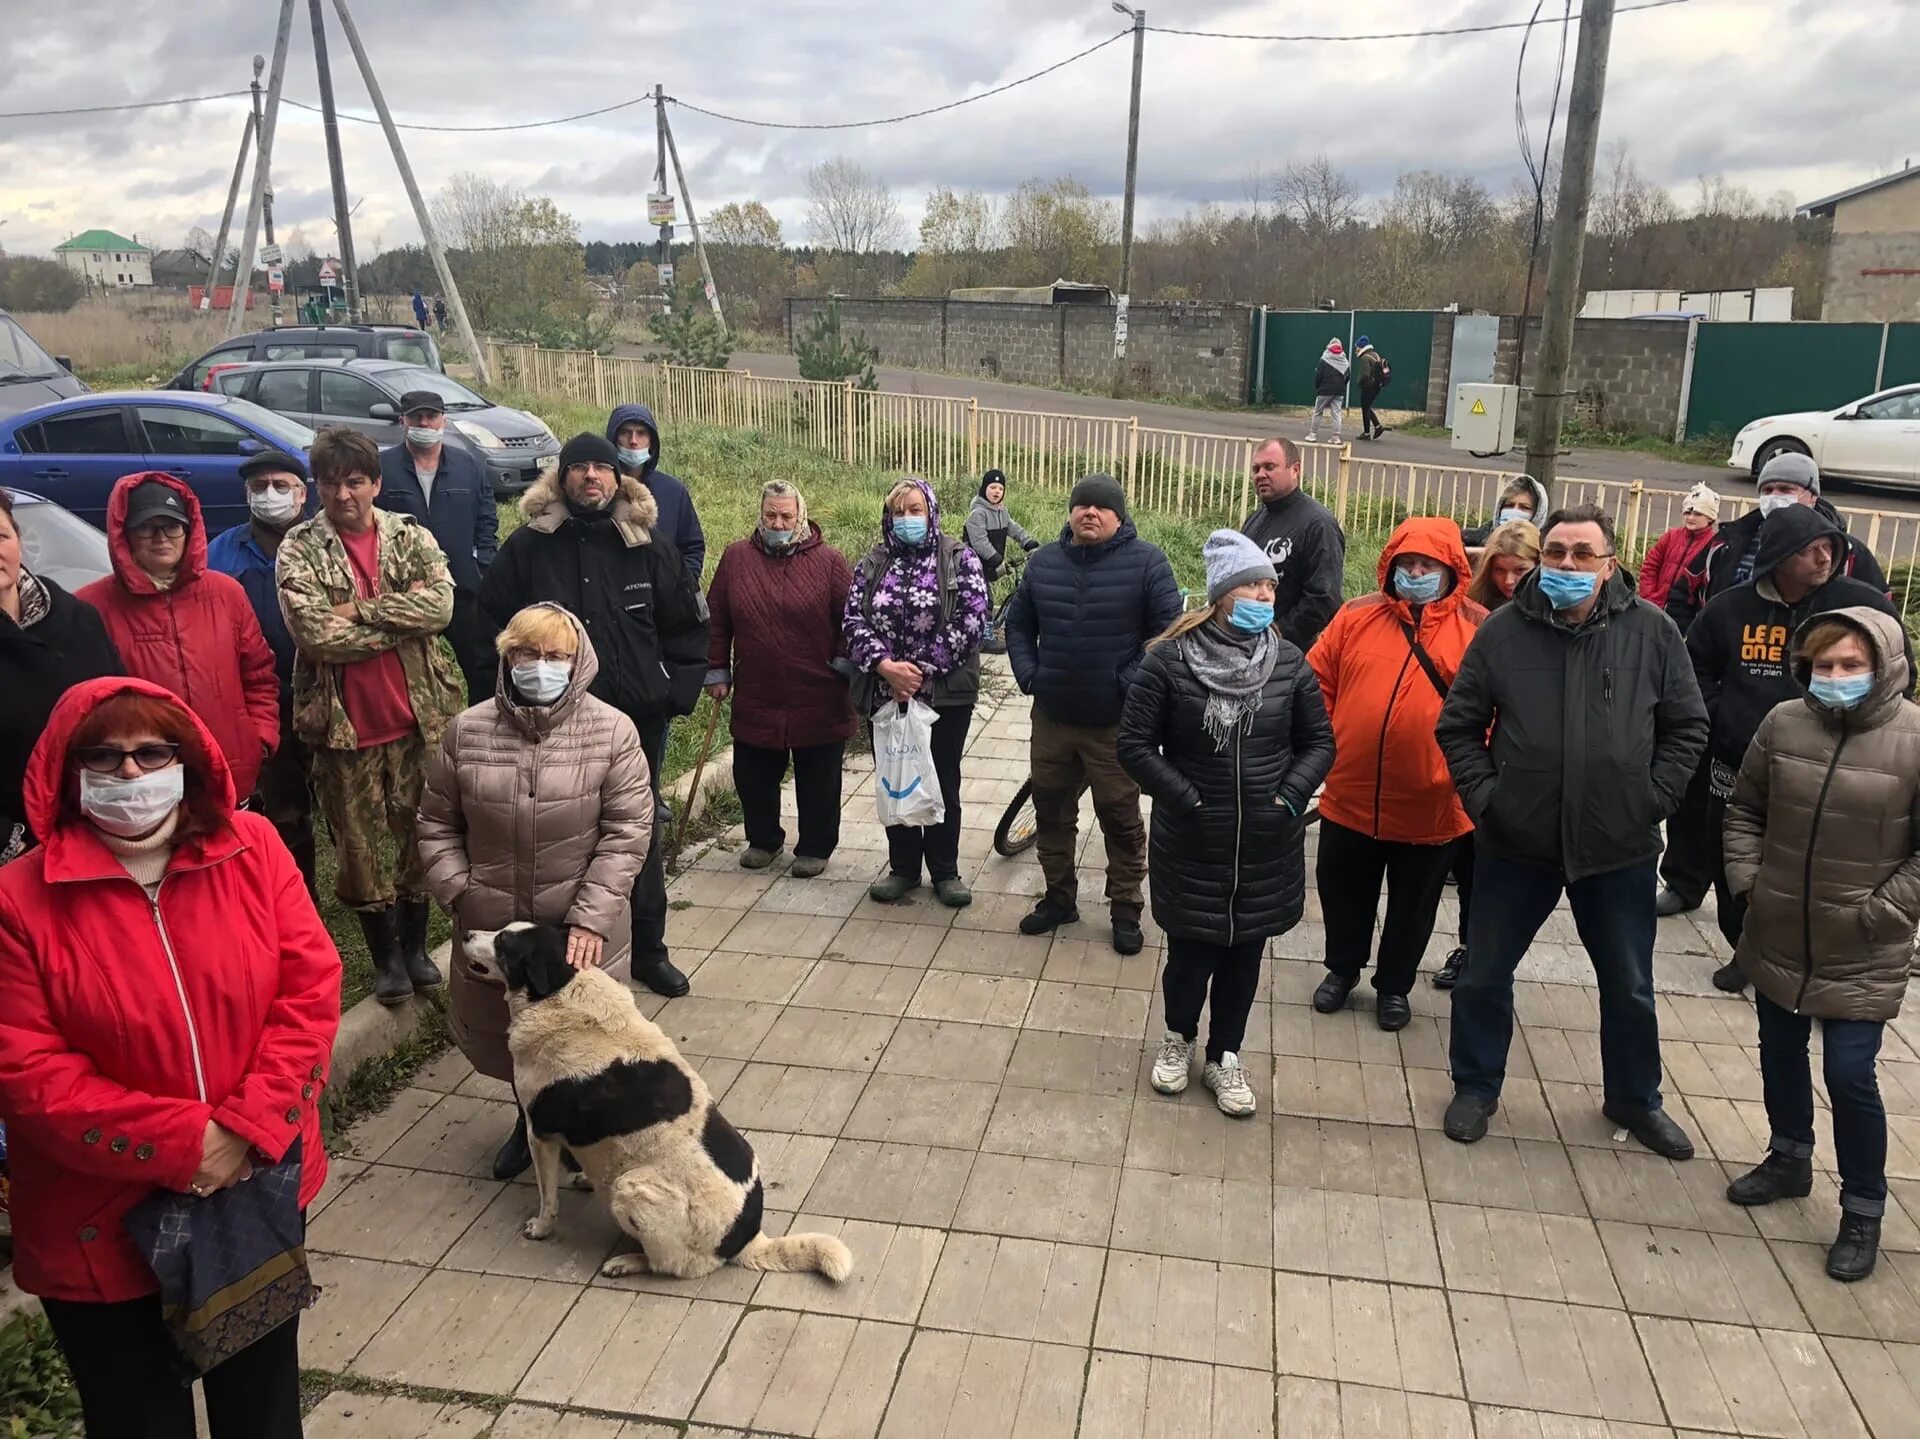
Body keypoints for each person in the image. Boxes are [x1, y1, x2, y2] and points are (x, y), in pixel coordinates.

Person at [0, 677, 340, 1439]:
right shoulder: (17, 901)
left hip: (250, 1185)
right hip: (100, 1219)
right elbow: (27, 1072)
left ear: (187, 760)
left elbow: (310, 984)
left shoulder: (255, 850)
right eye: (105, 756)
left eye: (151, 751)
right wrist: (186, 1144)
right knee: (138, 1418)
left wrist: (247, 1128)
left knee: (261, 1409)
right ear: (67, 769)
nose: (130, 773)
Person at [1435, 504, 1708, 1156]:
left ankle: (1635, 1098)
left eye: (1583, 554)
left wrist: (1653, 798)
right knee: (1484, 974)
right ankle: (1476, 1085)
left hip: (1619, 846)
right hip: (1515, 843)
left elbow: (1688, 726)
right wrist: (1489, 802)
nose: (1567, 564)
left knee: (1630, 983)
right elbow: (1458, 725)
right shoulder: (1503, 632)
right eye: (1556, 551)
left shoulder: (1654, 633)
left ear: (1609, 562)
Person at [416, 603, 654, 1180]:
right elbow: (435, 822)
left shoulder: (612, 731)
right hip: (493, 922)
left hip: (579, 930)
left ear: (578, 664)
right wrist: (459, 892)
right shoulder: (465, 731)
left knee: (584, 1042)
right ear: (506, 657)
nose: (540, 667)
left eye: (555, 657)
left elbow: (627, 832)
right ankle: (530, 1127)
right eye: (527, 654)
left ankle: (583, 1138)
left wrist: (591, 918)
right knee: (512, 1039)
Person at [1721, 607, 1920, 1283]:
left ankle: (1862, 1208)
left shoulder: (1915, 738)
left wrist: (1883, 911)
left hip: (1863, 941)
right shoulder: (1783, 723)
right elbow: (1745, 808)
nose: (1835, 677)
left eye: (1850, 665)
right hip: (1778, 927)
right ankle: (1788, 1155)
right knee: (1778, 1048)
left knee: (1849, 1072)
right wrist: (1750, 883)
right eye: (1824, 665)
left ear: (1885, 665)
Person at [479, 432, 708, 998]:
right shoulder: (529, 547)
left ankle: (651, 951)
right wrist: (510, 691)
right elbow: (489, 621)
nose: (590, 477)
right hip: (546, 723)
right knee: (557, 839)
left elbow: (685, 623)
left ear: (617, 479)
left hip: (634, 721)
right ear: (561, 478)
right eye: (578, 468)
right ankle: (559, 964)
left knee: (638, 831)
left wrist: (675, 691)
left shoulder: (646, 545)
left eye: (600, 469)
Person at [1118, 530, 1335, 1117]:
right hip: (1192, 841)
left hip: (1267, 843)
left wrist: (1289, 799)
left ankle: (1225, 1056)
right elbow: (1135, 746)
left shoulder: (1287, 662)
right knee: (1189, 957)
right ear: (1221, 594)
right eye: (1252, 585)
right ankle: (1178, 1040)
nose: (1265, 595)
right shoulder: (1168, 660)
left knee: (1244, 960)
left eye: (1269, 585)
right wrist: (1187, 801)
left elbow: (1318, 742)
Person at [1672, 504, 1911, 982]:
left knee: (1824, 872)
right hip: (1739, 764)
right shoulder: (1731, 608)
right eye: (1811, 550)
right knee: (1733, 862)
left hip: (1836, 768)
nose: (1824, 558)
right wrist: (1726, 718)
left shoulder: (1861, 605)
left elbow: (1900, 671)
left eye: (1830, 547)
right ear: (1779, 557)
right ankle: (1746, 949)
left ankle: (1822, 969)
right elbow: (1690, 668)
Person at [278, 425, 464, 1005]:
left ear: (376, 483)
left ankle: (413, 948)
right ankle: (385, 959)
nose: (343, 495)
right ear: (318, 488)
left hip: (418, 721)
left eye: (355, 482)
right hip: (343, 729)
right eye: (330, 484)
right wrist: (396, 626)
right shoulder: (300, 548)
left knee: (419, 838)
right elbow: (315, 634)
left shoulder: (410, 537)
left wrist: (359, 610)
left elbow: (442, 605)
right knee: (358, 849)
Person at [1309, 517, 1486, 1031]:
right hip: (1349, 793)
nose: (1415, 572)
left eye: (1427, 564)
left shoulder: (1478, 629)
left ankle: (1394, 986)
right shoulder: (1355, 615)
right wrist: (1323, 748)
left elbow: (1496, 714)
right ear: (1391, 565)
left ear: (1452, 569)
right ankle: (1341, 970)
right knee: (1342, 893)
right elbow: (1317, 682)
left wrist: (1460, 773)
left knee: (1414, 906)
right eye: (1407, 563)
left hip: (1432, 804)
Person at [1005, 474, 1182, 955]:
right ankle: (1059, 898)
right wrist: (1030, 674)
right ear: (1069, 512)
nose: (1089, 513)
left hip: (1115, 726)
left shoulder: (1147, 563)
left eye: (1101, 507)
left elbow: (1169, 633)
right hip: (1054, 719)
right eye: (1081, 504)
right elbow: (1018, 624)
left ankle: (1125, 908)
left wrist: (1126, 682)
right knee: (1052, 812)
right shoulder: (1043, 564)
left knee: (1121, 818)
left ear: (1118, 516)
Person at [78, 473, 279, 814]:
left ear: (190, 531)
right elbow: (83, 706)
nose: (161, 538)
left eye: (172, 527)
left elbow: (259, 674)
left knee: (227, 862)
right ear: (124, 533)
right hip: (141, 783)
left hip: (228, 771)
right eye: (147, 527)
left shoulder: (226, 593)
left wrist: (257, 738)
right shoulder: (91, 608)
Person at [844, 478, 989, 909]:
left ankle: (945, 870)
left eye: (915, 510)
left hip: (943, 693)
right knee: (896, 777)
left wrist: (922, 670)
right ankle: (903, 868)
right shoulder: (873, 563)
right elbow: (852, 621)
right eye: (899, 511)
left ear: (931, 512)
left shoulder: (959, 559)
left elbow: (973, 618)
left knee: (942, 779)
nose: (908, 518)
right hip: (885, 692)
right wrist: (886, 668)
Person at [704, 480, 856, 877]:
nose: (778, 522)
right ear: (760, 514)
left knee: (818, 776)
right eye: (771, 515)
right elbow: (716, 617)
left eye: (786, 516)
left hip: (818, 690)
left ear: (800, 516)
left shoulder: (830, 562)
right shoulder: (737, 558)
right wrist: (716, 669)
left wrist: (842, 664)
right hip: (758, 687)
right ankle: (763, 839)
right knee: (753, 772)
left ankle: (816, 846)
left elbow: (854, 620)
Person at [207, 450, 319, 901]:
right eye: (259, 487)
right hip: (267, 699)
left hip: (332, 693)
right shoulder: (222, 553)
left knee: (346, 801)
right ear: (246, 495)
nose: (269, 495)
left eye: (280, 485)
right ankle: (298, 896)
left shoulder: (323, 542)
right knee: (284, 805)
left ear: (302, 493)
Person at [1439, 518, 1540, 989]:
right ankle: (1467, 948)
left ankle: (1482, 951)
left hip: (1521, 765)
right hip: (1473, 763)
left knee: (1496, 878)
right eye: (1500, 570)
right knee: (1468, 865)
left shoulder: (1549, 616)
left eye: (1520, 570)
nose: (1510, 581)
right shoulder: (1476, 614)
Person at [0, 487, 122, 862]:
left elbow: (121, 711)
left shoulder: (77, 617)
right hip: (16, 855)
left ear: (20, 542)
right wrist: (12, 844)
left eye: (1, 536)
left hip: (96, 831)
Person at [376, 388, 499, 704]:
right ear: (403, 421)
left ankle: (481, 724)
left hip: (462, 588)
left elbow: (487, 517)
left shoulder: (467, 465)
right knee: (401, 671)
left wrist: (481, 563)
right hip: (404, 592)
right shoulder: (382, 467)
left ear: (443, 419)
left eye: (431, 416)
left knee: (481, 667)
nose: (425, 423)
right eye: (417, 417)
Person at [1680, 453, 1888, 615]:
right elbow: (1682, 593)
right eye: (1767, 490)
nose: (1774, 497)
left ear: (1812, 496)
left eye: (1785, 489)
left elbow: (1880, 614)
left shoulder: (1847, 552)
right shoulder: (1728, 542)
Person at [1241, 437, 1345, 653]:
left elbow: (1323, 600)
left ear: (1295, 469)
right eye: (1256, 469)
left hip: (1290, 655)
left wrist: (1276, 634)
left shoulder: (1318, 524)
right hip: (1246, 647)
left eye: (1270, 467)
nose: (1260, 475)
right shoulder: (1255, 519)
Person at [607, 403, 706, 585]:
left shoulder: (673, 491)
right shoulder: (599, 491)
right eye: (625, 433)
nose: (633, 440)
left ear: (652, 441)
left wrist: (682, 586)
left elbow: (692, 547)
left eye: (641, 433)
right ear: (613, 439)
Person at [1637, 484, 1719, 628]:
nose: (1690, 518)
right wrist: (1650, 598)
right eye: (1687, 512)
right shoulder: (1671, 536)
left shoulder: (1713, 545)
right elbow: (1650, 567)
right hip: (1655, 607)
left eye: (1698, 514)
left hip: (1687, 617)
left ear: (1710, 518)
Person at [963, 468, 1040, 583]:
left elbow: (1014, 528)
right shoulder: (977, 514)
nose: (997, 491)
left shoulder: (1002, 512)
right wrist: (996, 559)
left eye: (1001, 488)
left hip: (990, 568)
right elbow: (980, 542)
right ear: (984, 489)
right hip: (974, 569)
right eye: (993, 487)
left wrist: (1028, 543)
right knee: (983, 599)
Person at [1462, 475, 1547, 556]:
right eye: (1509, 505)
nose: (1514, 511)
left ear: (1538, 515)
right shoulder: (1470, 539)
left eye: (1524, 507)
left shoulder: (1544, 549)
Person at [1305, 337, 1349, 444]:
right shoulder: (1344, 360)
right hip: (1339, 391)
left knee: (1318, 412)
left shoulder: (1325, 358)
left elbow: (1318, 375)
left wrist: (1318, 387)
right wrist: (1342, 386)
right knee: (1336, 413)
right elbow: (1347, 376)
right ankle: (1336, 437)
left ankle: (1313, 434)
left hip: (1325, 390)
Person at [1353, 336, 1392, 441]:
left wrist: (1359, 383)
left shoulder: (1365, 358)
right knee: (1367, 407)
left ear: (1361, 346)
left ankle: (1366, 433)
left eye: (1357, 346)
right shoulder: (1375, 355)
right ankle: (1378, 426)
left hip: (1368, 386)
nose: (1355, 349)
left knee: (1365, 408)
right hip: (1377, 386)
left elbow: (1365, 374)